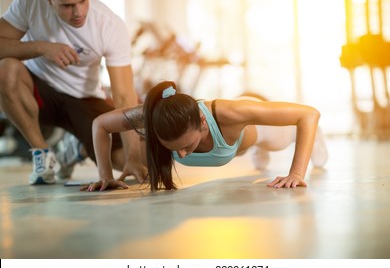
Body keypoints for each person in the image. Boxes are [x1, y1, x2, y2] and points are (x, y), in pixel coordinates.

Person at [0, 0, 147, 185]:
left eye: (82, 1)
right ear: (49, 1)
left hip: (85, 100)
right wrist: (41, 47)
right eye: (67, 6)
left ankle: (76, 149)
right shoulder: (30, 4)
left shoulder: (109, 23)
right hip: (39, 93)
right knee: (5, 69)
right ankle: (43, 154)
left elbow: (124, 95)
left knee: (140, 160)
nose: (78, 12)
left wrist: (132, 155)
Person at [83, 81, 328, 192]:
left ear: (202, 123)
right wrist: (105, 176)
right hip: (237, 143)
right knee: (247, 150)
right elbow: (100, 124)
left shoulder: (230, 112)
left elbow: (308, 114)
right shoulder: (154, 115)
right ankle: (256, 151)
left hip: (261, 131)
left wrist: (296, 173)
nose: (180, 155)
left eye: (186, 146)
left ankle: (316, 138)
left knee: (281, 141)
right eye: (174, 149)